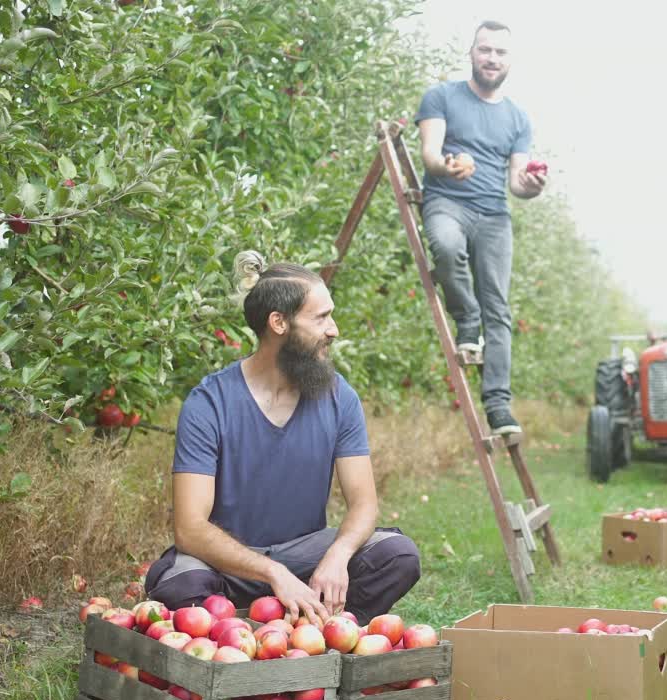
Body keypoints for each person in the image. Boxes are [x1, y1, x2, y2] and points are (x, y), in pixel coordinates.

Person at [145, 251, 421, 626]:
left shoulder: (340, 398)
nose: (334, 329)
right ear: (279, 323)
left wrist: (337, 556)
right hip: (228, 565)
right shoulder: (209, 402)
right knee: (181, 585)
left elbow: (363, 505)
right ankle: (254, 638)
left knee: (397, 556)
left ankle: (322, 636)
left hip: (306, 558)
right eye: (321, 317)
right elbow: (190, 529)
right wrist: (274, 574)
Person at [414, 19, 547, 436]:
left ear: (510, 61)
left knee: (500, 308)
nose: (492, 58)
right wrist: (448, 166)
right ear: (471, 53)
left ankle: (499, 404)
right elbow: (430, 155)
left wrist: (532, 187)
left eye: (500, 52)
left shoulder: (518, 118)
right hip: (447, 201)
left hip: (494, 215)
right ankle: (465, 320)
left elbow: (516, 183)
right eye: (485, 50)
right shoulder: (441, 97)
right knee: (446, 246)